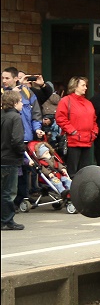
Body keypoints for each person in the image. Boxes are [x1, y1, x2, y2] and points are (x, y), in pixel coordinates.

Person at [2, 67, 44, 209]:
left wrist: (37, 128)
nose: (4, 81)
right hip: (9, 141)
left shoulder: (27, 92)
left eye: (7, 78)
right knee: (13, 174)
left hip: (26, 138)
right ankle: (10, 206)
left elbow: (36, 113)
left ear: (15, 79)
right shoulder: (3, 93)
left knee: (25, 172)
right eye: (2, 78)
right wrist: (9, 95)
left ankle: (22, 199)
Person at [55, 76, 98, 177]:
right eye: (83, 85)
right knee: (72, 172)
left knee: (85, 172)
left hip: (87, 141)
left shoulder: (88, 103)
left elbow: (94, 120)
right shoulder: (66, 101)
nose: (86, 88)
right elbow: (60, 118)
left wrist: (94, 132)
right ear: (75, 86)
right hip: (73, 142)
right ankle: (72, 191)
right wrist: (73, 131)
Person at [1, 89, 26, 230]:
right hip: (10, 158)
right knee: (9, 192)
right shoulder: (15, 118)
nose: (22, 104)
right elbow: (17, 140)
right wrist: (21, 152)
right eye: (21, 101)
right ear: (15, 103)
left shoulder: (2, 115)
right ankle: (7, 220)